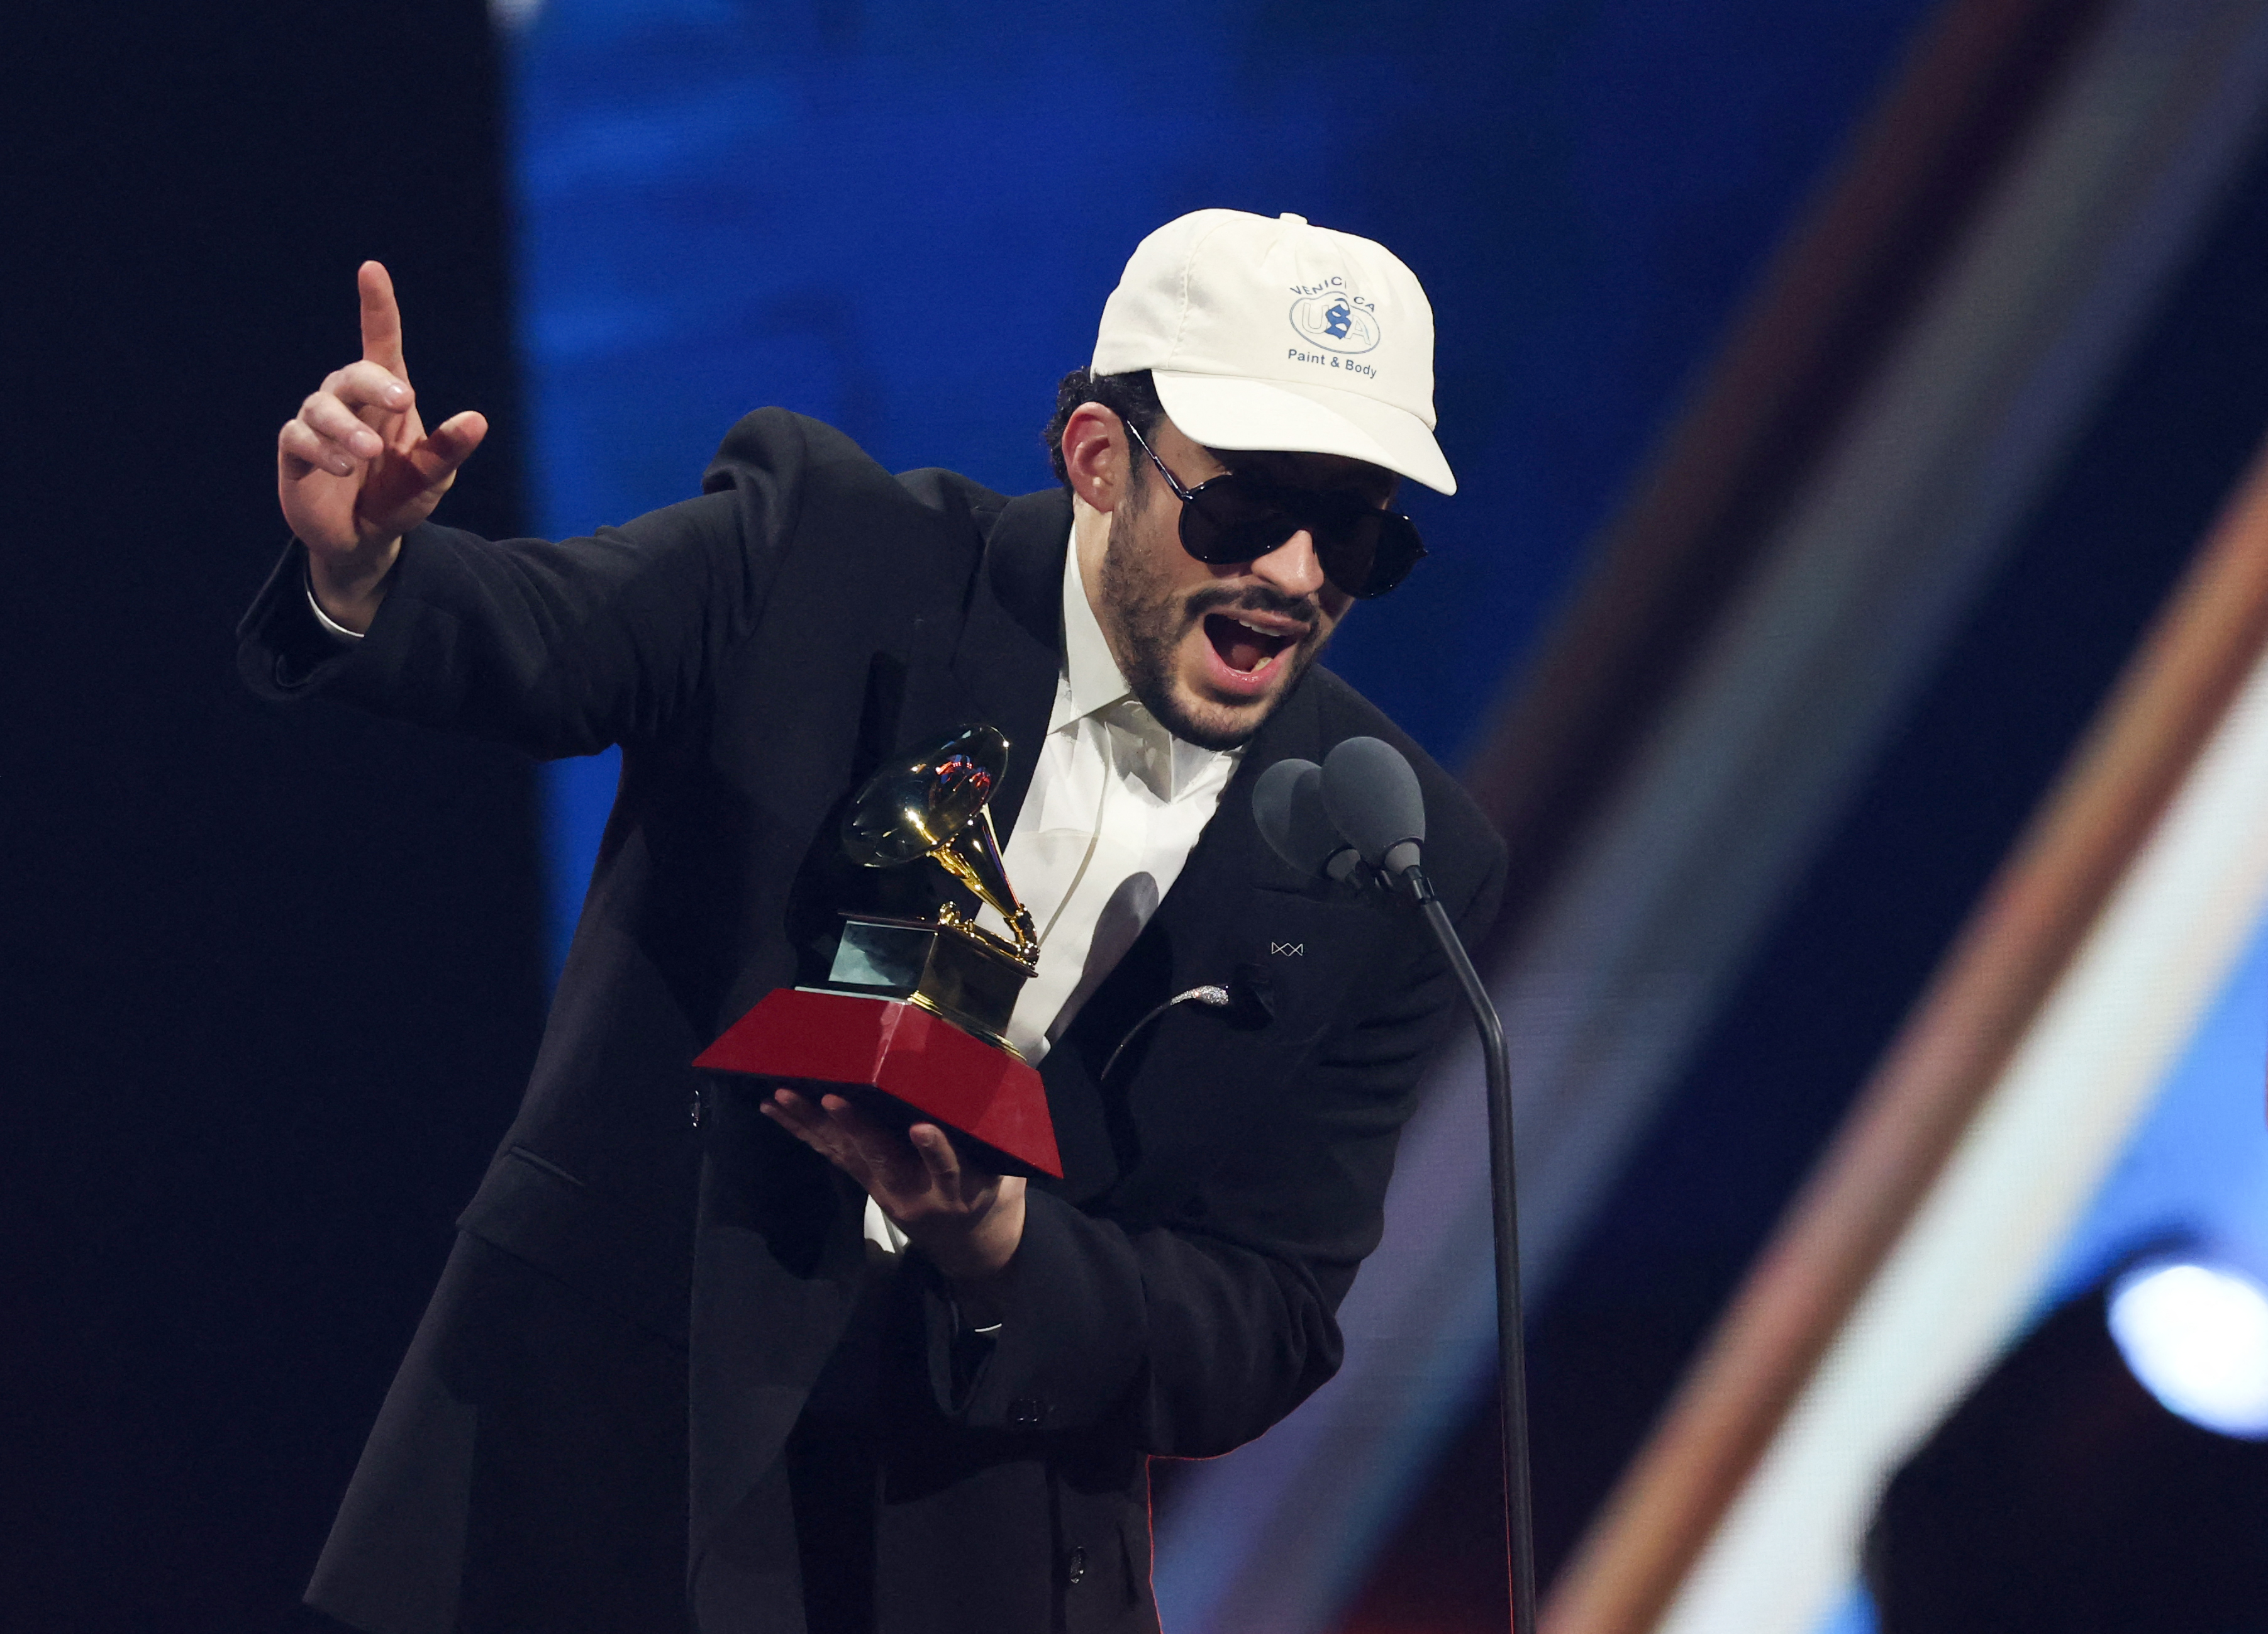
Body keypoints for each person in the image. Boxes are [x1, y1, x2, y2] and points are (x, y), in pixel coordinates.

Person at [244, 208, 1505, 1634]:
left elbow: (1263, 1322)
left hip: (968, 1541)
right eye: (1241, 510)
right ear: (1099, 459)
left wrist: (1002, 1246)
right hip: (595, 1466)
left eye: (1350, 533)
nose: (1291, 574)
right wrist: (370, 576)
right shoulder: (830, 558)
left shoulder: (1396, 863)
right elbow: (554, 633)